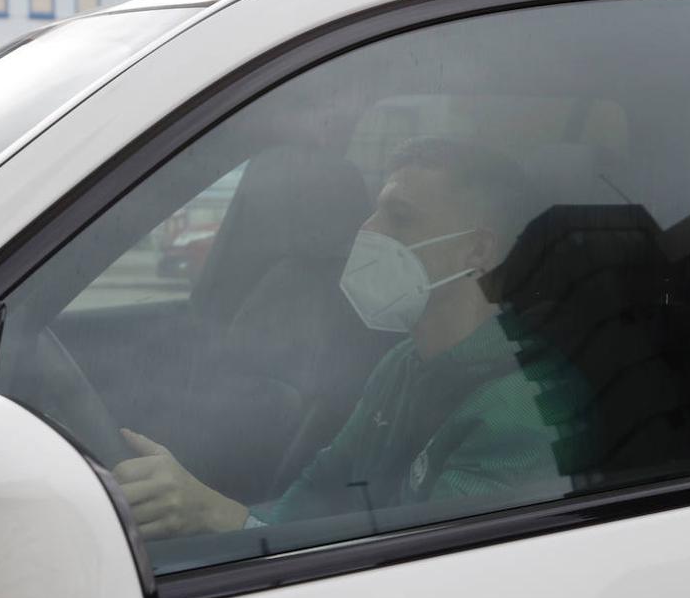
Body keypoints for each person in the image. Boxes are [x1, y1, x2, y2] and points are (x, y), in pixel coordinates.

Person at [114, 136, 590, 540]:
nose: (366, 233)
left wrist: (217, 516)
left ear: (478, 250)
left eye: (399, 218)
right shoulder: (405, 362)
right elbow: (316, 498)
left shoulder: (525, 411)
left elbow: (434, 577)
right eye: (373, 213)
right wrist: (232, 527)